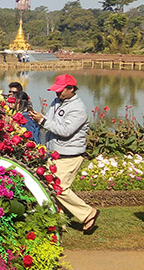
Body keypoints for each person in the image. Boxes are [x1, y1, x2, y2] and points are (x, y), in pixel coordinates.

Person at [28, 74, 100, 234]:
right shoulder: (57, 102)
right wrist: (39, 118)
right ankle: (58, 222)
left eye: (60, 91)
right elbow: (52, 121)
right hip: (55, 153)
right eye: (56, 90)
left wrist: (43, 121)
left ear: (71, 89)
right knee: (48, 186)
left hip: (70, 155)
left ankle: (88, 213)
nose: (57, 93)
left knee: (59, 188)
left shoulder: (78, 108)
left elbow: (65, 131)